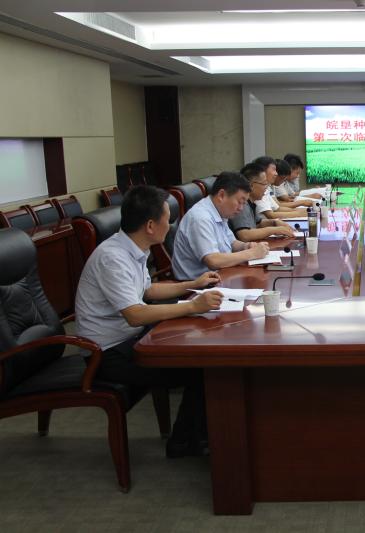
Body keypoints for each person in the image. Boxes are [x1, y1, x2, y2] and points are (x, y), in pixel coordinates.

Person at [75, 185, 224, 457]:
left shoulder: (133, 247)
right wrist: (192, 305)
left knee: (198, 341)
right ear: (151, 226)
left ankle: (195, 436)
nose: (171, 224)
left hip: (130, 338)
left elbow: (148, 291)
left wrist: (194, 284)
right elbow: (135, 314)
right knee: (202, 370)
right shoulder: (112, 258)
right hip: (107, 354)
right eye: (168, 218)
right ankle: (185, 443)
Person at [172, 171, 269, 280]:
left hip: (222, 275)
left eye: (244, 203)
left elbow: (231, 242)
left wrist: (246, 246)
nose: (241, 208)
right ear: (222, 195)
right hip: (199, 286)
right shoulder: (200, 218)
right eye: (239, 202)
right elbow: (213, 261)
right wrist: (251, 253)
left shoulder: (219, 211)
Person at [229, 163, 295, 241]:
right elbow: (244, 235)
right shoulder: (242, 204)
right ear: (251, 185)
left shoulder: (251, 202)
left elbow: (258, 223)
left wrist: (274, 222)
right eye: (264, 183)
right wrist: (274, 230)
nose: (266, 188)